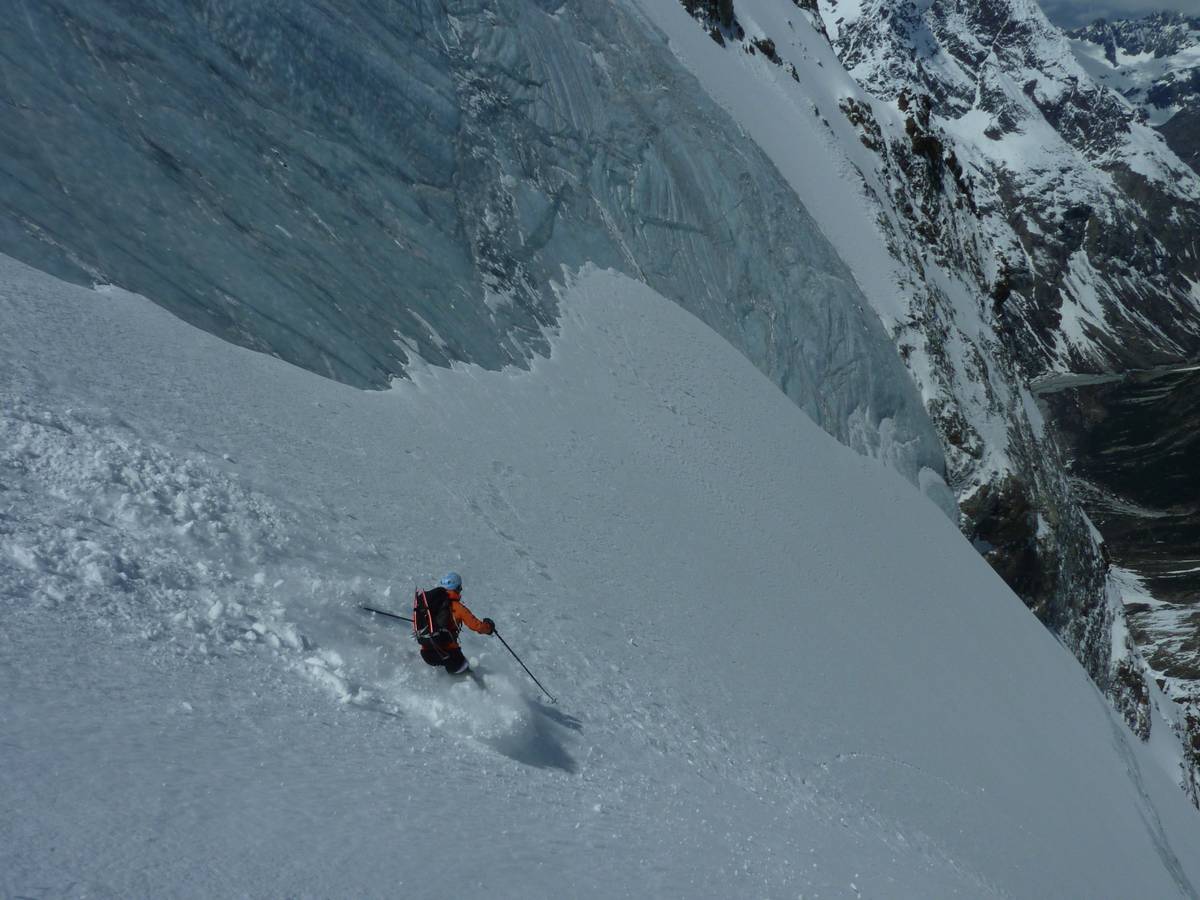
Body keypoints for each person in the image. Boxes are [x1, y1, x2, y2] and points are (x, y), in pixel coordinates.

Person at [413, 572, 495, 675]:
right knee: (466, 676)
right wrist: (489, 627)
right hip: (448, 653)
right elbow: (476, 626)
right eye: (460, 588)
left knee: (450, 673)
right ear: (457, 588)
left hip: (426, 653)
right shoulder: (457, 607)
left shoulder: (430, 605)